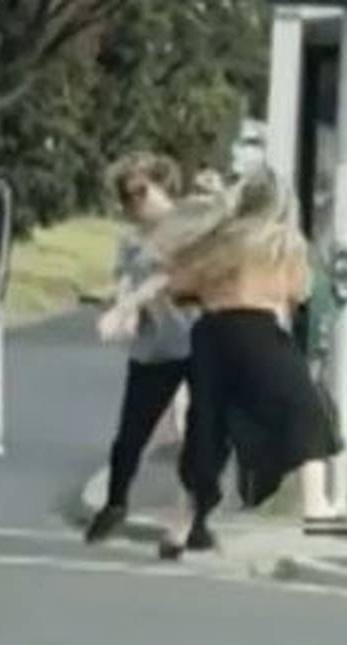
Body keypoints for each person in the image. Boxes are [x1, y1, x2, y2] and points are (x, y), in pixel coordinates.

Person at [151, 166, 344, 550]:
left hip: (211, 337)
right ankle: (316, 507)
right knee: (308, 408)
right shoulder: (282, 241)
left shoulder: (217, 237)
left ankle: (182, 524)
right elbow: (301, 291)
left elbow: (179, 286)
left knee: (207, 431)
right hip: (258, 334)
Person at [84, 152, 194, 544]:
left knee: (194, 435)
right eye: (127, 196)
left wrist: (128, 305)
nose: (135, 203)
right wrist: (118, 307)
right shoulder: (130, 242)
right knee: (130, 433)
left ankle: (188, 520)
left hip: (196, 343)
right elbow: (127, 284)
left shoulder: (189, 228)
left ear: (164, 186)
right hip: (154, 347)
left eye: (142, 191)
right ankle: (115, 503)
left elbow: (170, 277)